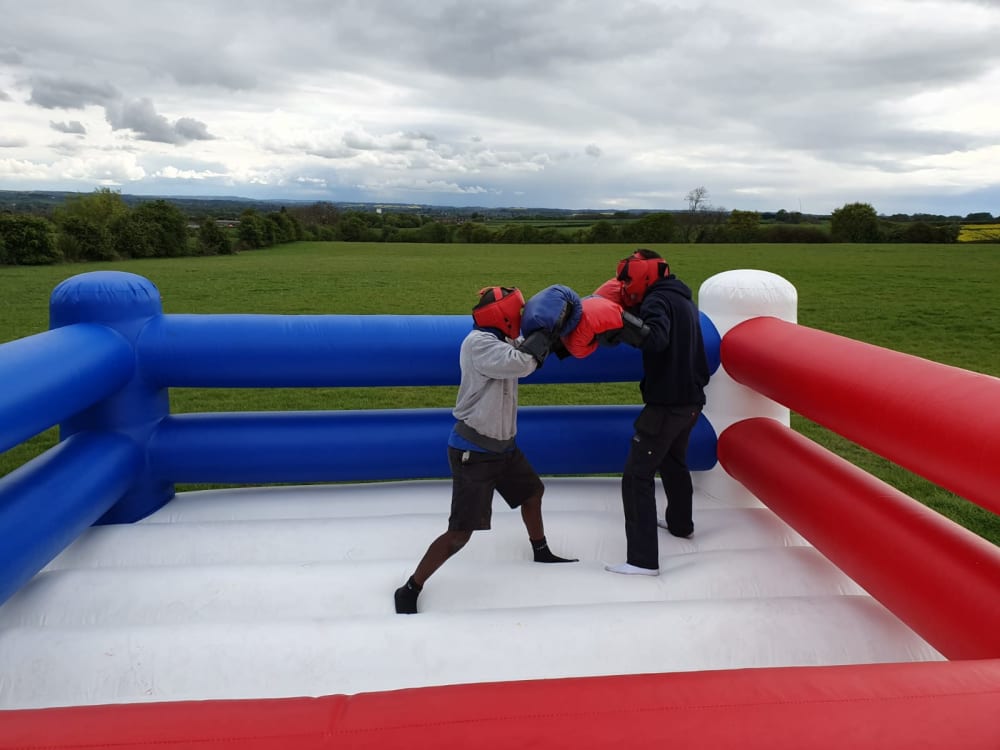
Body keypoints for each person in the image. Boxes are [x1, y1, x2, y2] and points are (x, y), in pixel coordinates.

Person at [394, 285, 578, 614]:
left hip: (504, 448)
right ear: (503, 314)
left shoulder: (501, 341)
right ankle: (410, 587)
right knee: (460, 534)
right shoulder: (478, 344)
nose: (522, 317)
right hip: (474, 451)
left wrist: (558, 336)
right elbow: (522, 363)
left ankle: (541, 550)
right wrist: (543, 333)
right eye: (518, 311)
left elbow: (526, 354)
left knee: (532, 492)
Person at [604, 250, 710, 576]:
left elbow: (657, 338)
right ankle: (681, 525)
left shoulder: (655, 302)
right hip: (691, 401)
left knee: (637, 475)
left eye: (627, 277)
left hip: (667, 404)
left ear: (646, 274)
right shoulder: (680, 297)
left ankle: (642, 560)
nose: (624, 284)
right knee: (673, 462)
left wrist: (619, 320)